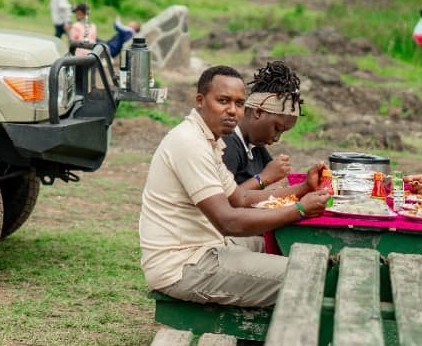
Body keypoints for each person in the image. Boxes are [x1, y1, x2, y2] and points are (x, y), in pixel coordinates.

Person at [138, 65, 330, 307]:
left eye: (239, 104)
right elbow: (228, 221)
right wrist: (299, 209)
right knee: (309, 274)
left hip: (207, 247)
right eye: (223, 101)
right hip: (184, 266)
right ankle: (292, 342)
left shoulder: (209, 141)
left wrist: (303, 188)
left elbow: (239, 198)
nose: (232, 111)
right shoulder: (190, 144)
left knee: (288, 245)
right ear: (200, 101)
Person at [222, 61, 300, 190]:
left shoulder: (255, 145)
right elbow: (222, 202)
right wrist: (263, 178)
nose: (276, 138)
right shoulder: (227, 145)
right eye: (277, 129)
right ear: (258, 112)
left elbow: (278, 181)